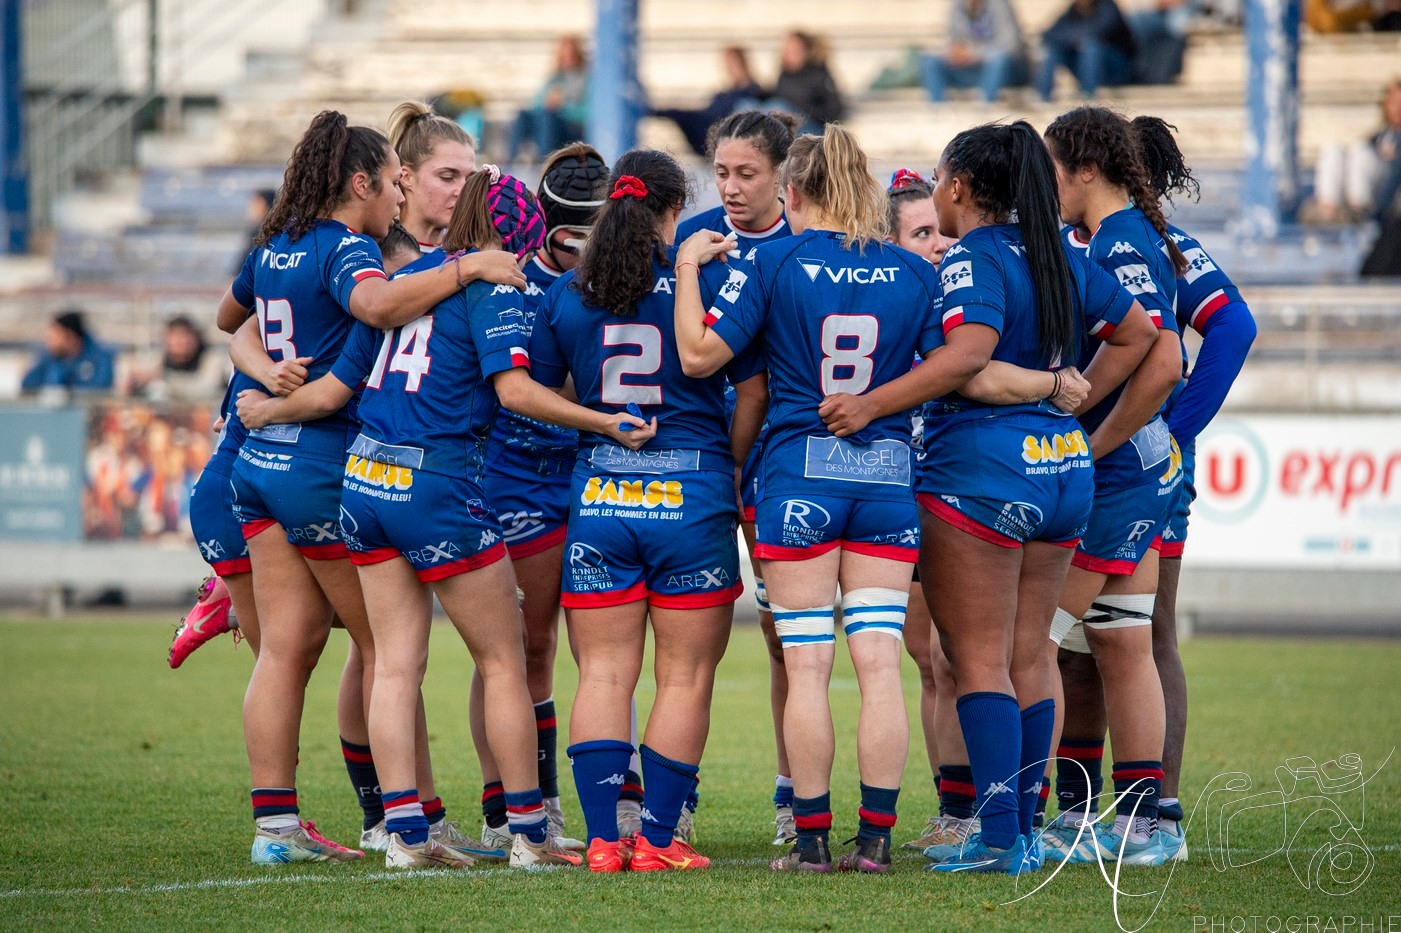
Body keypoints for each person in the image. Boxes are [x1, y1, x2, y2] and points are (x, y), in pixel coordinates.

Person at [235, 165, 614, 870]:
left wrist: (266, 408)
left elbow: (337, 387)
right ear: (518, 235)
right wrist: (604, 422)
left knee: (393, 664)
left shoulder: (402, 280)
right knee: (503, 660)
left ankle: (406, 836)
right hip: (437, 482)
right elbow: (515, 392)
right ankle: (530, 833)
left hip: (363, 482)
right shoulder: (492, 285)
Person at [819, 125, 1156, 874]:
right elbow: (1139, 334)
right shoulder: (1057, 253)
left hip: (982, 470)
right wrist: (1071, 396)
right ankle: (1023, 831)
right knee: (1029, 656)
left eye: (941, 176)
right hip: (1062, 468)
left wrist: (870, 405)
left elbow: (966, 359)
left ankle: (1000, 836)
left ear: (960, 187)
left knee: (974, 661)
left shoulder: (974, 256)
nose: (937, 189)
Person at [215, 109, 526, 865]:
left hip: (260, 460)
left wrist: (263, 378)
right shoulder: (351, 248)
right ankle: (405, 821)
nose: (398, 196)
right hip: (327, 461)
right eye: (393, 183)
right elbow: (378, 306)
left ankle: (275, 827)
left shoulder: (274, 244)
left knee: (286, 649)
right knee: (386, 652)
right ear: (363, 184)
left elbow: (230, 321)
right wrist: (467, 268)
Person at [675, 126, 951, 875]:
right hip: (887, 480)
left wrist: (688, 265)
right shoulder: (912, 269)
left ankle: (810, 841)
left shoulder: (774, 261)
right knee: (879, 663)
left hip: (799, 476)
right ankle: (877, 840)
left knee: (805, 665)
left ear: (792, 193)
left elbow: (699, 355)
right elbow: (951, 368)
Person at [529, 150, 750, 874]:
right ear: (674, 209)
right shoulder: (707, 279)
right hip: (692, 494)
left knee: (601, 674)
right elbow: (754, 389)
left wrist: (599, 416)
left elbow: (544, 393)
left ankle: (601, 840)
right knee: (684, 677)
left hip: (601, 496)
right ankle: (657, 839)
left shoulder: (567, 292)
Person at [1052, 116, 1257, 863]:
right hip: (1119, 457)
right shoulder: (1094, 237)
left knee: (1132, 631)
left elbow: (1229, 329)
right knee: (1100, 637)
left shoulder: (1147, 243)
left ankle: (1151, 812)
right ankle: (1091, 812)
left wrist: (1175, 427)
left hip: (1131, 460)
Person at [1040, 105, 1188, 868]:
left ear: (1085, 169)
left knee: (1035, 642)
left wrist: (1091, 438)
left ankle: (1021, 815)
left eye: (1052, 172)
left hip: (1121, 474)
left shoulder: (1120, 241)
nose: (1046, 188)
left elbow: (1162, 360)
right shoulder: (1124, 234)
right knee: (1121, 639)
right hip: (1143, 470)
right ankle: (1138, 822)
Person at [472, 143, 611, 853]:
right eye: (571, 238)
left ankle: (623, 803)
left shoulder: (619, 281)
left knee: (603, 650)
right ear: (547, 227)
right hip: (516, 479)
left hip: (591, 476)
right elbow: (516, 388)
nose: (584, 253)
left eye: (596, 235)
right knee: (522, 647)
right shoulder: (510, 282)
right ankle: (519, 805)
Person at [674, 109, 796, 845]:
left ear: (782, 175)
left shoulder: (804, 244)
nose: (730, 187)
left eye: (746, 173)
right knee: (691, 640)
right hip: (701, 462)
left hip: (776, 464)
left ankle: (791, 795)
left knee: (787, 638)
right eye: (720, 172)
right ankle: (674, 797)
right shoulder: (691, 244)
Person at [385, 101, 476, 249]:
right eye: (447, 177)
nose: (464, 191)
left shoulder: (476, 252)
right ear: (406, 177)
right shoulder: (372, 253)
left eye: (470, 180)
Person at [1313, 79, 1401, 224]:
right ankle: (1328, 210)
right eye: (1393, 103)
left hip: (1388, 197)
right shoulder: (1380, 135)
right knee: (1333, 151)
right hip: (1367, 189)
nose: (1397, 108)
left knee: (1361, 153)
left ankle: (1359, 210)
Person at [652, 47, 764, 155]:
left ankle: (654, 111)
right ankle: (655, 111)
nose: (728, 68)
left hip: (721, 131)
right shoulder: (725, 93)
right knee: (681, 115)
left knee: (684, 116)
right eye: (726, 64)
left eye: (731, 63)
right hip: (711, 127)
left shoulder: (753, 92)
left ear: (740, 62)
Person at [920, 0, 1030, 103]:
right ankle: (937, 109)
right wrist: (954, 53)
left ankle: (985, 109)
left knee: (998, 61)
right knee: (930, 62)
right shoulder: (957, 6)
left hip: (1003, 72)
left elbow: (1011, 46)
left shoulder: (999, 5)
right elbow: (952, 41)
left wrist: (974, 54)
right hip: (970, 70)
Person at [508, 35, 589, 163]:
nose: (568, 59)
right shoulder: (555, 78)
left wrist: (563, 106)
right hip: (550, 121)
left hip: (571, 127)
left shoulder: (586, 79)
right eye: (564, 55)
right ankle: (511, 158)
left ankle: (544, 160)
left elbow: (587, 113)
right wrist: (547, 102)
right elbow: (536, 102)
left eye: (571, 55)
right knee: (523, 115)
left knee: (548, 117)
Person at [1035, 0, 1136, 101]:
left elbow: (1100, 30)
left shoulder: (1108, 7)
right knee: (1055, 51)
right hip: (1085, 67)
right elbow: (1049, 35)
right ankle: (1043, 96)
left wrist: (1074, 39)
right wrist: (1073, 40)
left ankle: (1088, 94)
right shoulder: (1072, 12)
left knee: (1090, 47)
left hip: (1115, 68)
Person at [127, 316, 228, 404]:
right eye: (174, 335)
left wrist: (164, 378)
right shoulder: (159, 358)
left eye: (184, 335)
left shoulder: (212, 358)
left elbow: (207, 390)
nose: (179, 341)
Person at [21, 310, 116, 397]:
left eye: (54, 338)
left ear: (70, 337)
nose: (49, 343)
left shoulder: (100, 359)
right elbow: (28, 386)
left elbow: (97, 392)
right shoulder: (49, 357)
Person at [768, 31, 845, 135]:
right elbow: (777, 95)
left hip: (813, 128)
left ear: (806, 52)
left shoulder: (819, 75)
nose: (788, 55)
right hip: (790, 125)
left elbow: (834, 110)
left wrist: (801, 110)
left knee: (778, 108)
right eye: (786, 51)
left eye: (794, 51)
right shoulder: (784, 75)